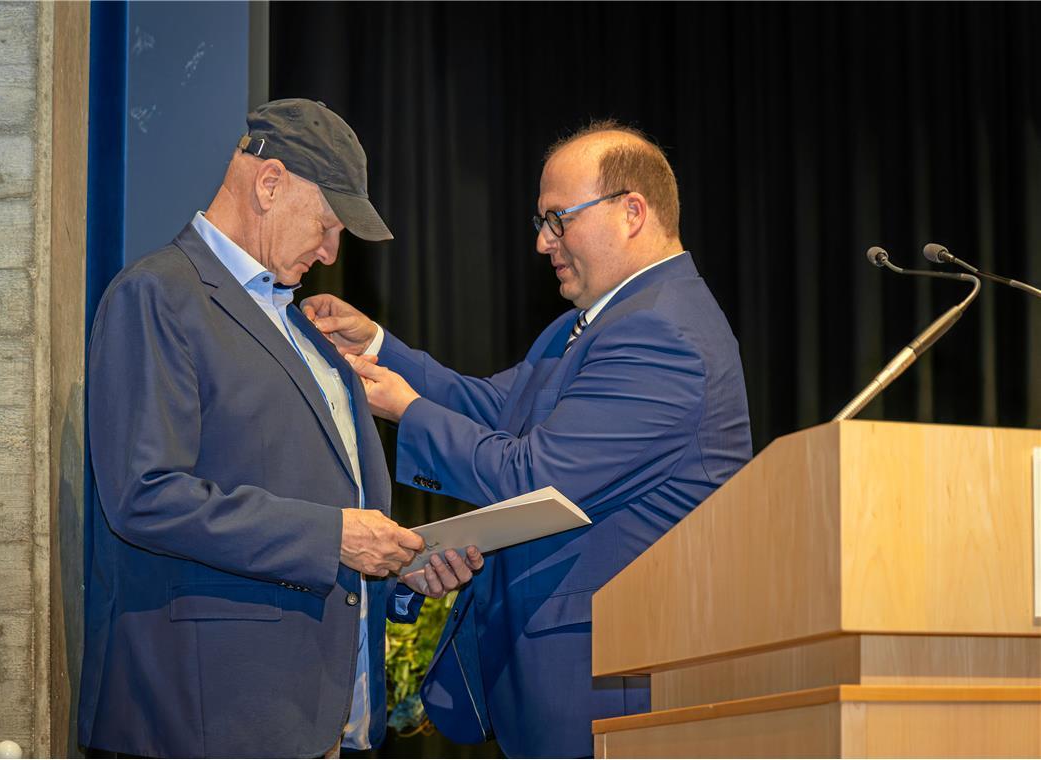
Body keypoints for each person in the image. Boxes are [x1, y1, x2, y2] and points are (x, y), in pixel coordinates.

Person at [302, 120, 753, 758]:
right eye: (542, 223)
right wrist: (377, 348)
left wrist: (401, 406)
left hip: (617, 694)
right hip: (571, 688)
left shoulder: (662, 335)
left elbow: (533, 476)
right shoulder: (591, 325)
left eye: (558, 219)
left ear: (631, 212)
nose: (544, 243)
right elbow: (492, 407)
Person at [78, 98, 480, 759]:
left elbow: (322, 507)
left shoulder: (305, 331)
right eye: (327, 224)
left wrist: (397, 561)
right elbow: (143, 495)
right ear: (269, 184)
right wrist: (336, 537)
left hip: (318, 722)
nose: (330, 251)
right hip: (213, 723)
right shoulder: (158, 294)